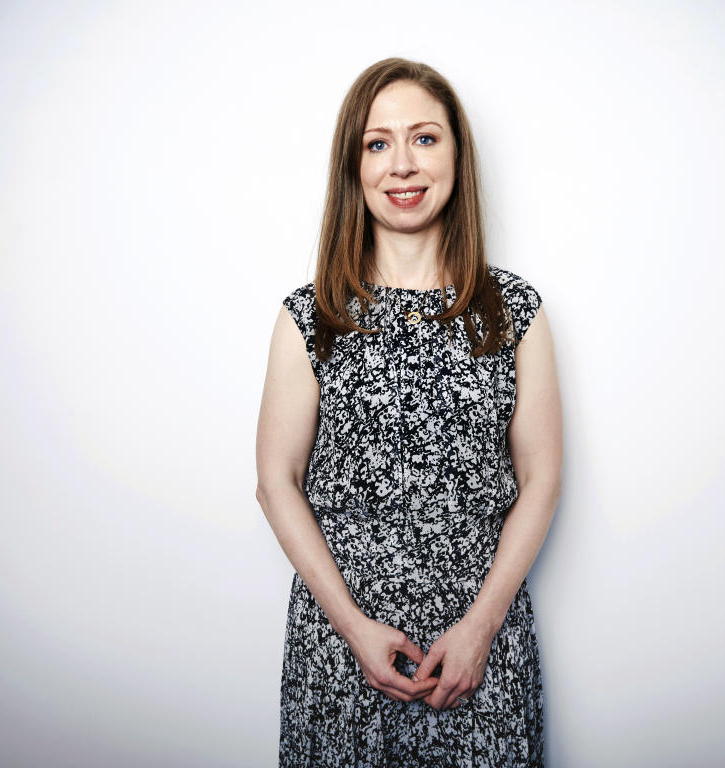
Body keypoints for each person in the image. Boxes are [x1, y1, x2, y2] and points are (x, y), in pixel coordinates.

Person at [256, 57, 563, 767]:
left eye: (425, 139)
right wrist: (355, 628)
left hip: (480, 655)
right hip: (343, 653)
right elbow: (277, 481)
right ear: (353, 166)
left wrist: (480, 629)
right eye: (377, 143)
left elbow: (540, 481)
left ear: (457, 155)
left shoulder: (513, 312)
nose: (402, 164)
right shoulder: (311, 318)